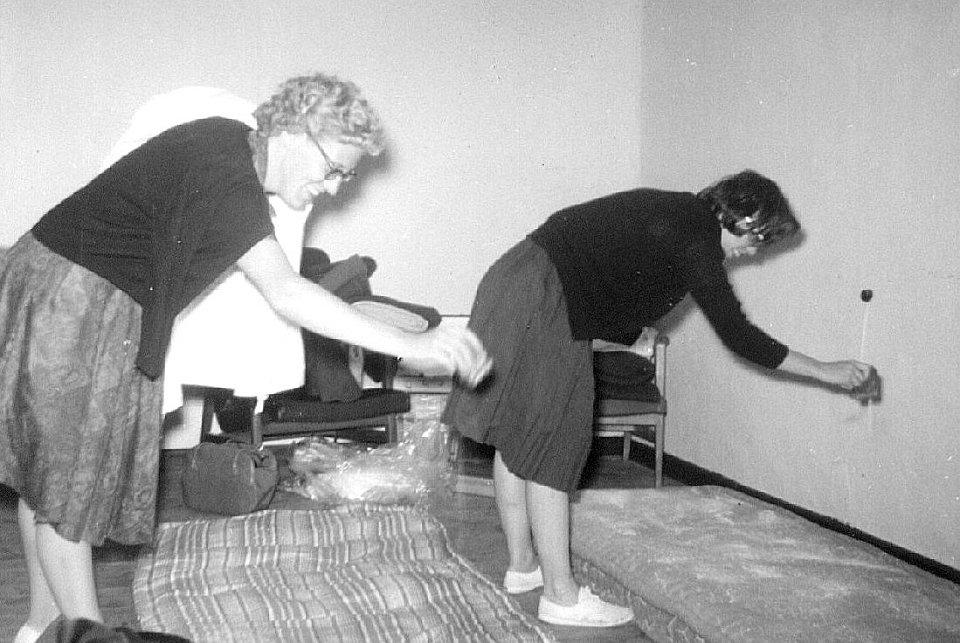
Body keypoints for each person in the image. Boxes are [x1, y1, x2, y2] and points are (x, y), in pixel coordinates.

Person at [0, 73, 491, 643]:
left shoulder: (228, 146)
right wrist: (415, 345)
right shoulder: (230, 178)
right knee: (71, 496)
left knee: (49, 482)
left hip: (54, 284)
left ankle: (41, 627)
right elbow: (287, 293)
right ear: (297, 131)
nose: (334, 189)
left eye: (346, 176)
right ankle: (90, 638)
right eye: (334, 169)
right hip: (77, 301)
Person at [441, 169, 875, 628]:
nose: (754, 253)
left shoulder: (679, 212)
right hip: (545, 295)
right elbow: (739, 335)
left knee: (518, 434)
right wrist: (824, 370)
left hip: (514, 279)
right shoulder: (697, 236)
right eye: (758, 239)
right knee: (553, 445)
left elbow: (615, 282)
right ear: (743, 218)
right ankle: (561, 597)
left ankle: (523, 567)